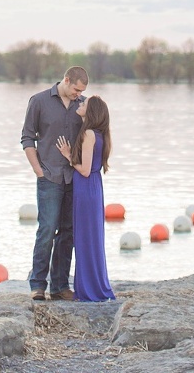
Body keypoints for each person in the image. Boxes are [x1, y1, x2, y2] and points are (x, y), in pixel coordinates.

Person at [20, 66, 88, 301]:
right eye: (76, 89)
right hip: (49, 176)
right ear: (66, 80)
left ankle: (59, 285)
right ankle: (37, 284)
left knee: (68, 232)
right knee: (47, 229)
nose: (79, 94)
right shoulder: (39, 101)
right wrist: (38, 170)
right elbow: (27, 137)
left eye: (82, 91)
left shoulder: (83, 105)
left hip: (75, 177)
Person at [56, 95, 115, 302]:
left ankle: (89, 290)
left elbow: (85, 170)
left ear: (91, 112)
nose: (79, 104)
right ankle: (93, 286)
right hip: (94, 188)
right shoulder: (99, 134)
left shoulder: (89, 134)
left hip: (86, 186)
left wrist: (68, 156)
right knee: (91, 237)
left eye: (84, 104)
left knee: (85, 238)